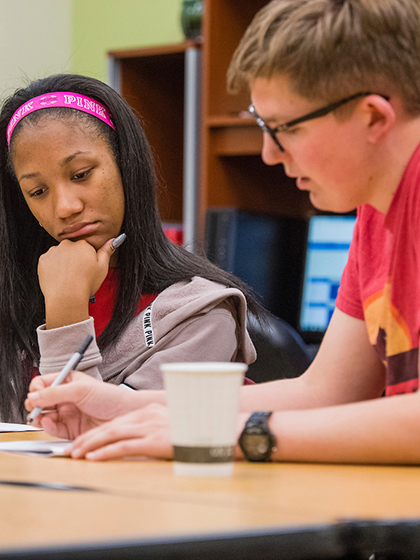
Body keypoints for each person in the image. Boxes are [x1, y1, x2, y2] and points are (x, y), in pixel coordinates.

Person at [25, 0, 420, 464]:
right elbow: (328, 390)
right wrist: (130, 407)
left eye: (284, 129)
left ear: (373, 117)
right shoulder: (375, 214)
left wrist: (231, 431)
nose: (271, 154)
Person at [0, 73, 261, 423]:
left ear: (126, 164)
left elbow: (88, 433)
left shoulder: (202, 312)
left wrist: (66, 310)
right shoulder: (14, 300)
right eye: (38, 192)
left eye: (81, 174)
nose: (65, 207)